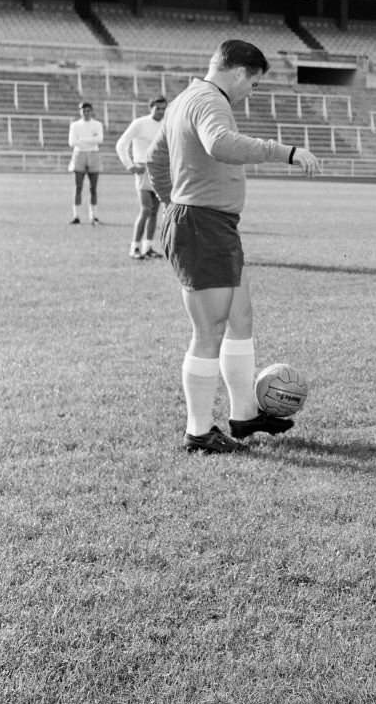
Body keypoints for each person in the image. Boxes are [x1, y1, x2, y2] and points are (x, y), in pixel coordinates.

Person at [146, 40, 319, 454]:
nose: (250, 93)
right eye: (254, 84)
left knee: (241, 318)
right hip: (202, 226)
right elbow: (220, 143)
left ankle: (243, 416)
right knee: (209, 331)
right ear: (240, 73)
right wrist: (286, 152)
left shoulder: (184, 99)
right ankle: (198, 432)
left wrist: (173, 202)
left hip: (211, 223)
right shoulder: (210, 100)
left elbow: (155, 159)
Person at [115, 96, 168, 260]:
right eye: (158, 108)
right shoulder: (140, 123)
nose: (161, 111)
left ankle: (148, 247)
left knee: (155, 212)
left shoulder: (167, 124)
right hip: (143, 168)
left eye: (163, 108)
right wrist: (130, 165)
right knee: (145, 209)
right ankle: (134, 247)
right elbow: (121, 144)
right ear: (150, 107)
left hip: (160, 169)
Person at [68, 100, 104, 225]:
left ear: (92, 111)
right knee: (78, 187)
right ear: (80, 111)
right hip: (79, 154)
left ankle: (93, 215)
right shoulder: (75, 125)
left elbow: (99, 139)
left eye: (88, 110)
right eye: (84, 111)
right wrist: (90, 140)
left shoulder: (97, 124)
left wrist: (82, 140)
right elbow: (72, 142)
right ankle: (76, 215)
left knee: (93, 188)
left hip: (93, 154)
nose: (86, 113)